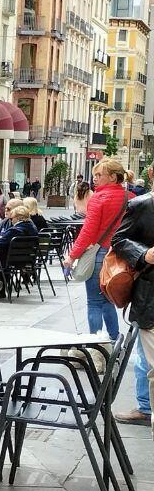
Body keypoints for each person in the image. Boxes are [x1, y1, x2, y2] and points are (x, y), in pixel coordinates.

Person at [64, 158, 129, 341]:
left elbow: (88, 231)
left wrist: (72, 256)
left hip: (101, 254)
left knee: (94, 301)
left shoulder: (99, 198)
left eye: (99, 175)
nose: (95, 179)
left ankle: (96, 345)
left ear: (113, 177)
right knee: (108, 300)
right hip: (122, 255)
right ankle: (115, 341)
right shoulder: (130, 198)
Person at [111, 192, 154, 429]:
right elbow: (119, 240)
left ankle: (145, 407)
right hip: (150, 298)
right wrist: (143, 254)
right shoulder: (142, 205)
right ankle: (146, 407)